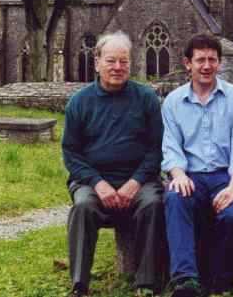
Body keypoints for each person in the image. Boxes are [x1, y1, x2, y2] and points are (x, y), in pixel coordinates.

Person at [62, 31, 165, 297]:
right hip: (93, 182)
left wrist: (135, 183)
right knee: (82, 207)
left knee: (154, 204)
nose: (118, 67)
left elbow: (156, 150)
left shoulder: (146, 99)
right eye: (111, 61)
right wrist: (99, 184)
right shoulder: (79, 102)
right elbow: (71, 153)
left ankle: (146, 283)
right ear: (96, 62)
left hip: (139, 181)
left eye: (124, 61)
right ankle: (79, 285)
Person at [162, 33, 233, 297]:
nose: (206, 65)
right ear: (187, 63)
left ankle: (221, 279)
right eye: (200, 60)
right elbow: (170, 146)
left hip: (226, 176)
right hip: (190, 176)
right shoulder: (173, 102)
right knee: (175, 200)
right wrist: (177, 174)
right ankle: (185, 279)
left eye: (212, 59)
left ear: (220, 63)